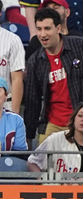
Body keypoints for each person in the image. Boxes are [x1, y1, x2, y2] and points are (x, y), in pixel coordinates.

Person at [24, 7, 83, 144]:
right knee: (41, 162)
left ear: (58, 28)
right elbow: (33, 101)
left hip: (79, 121)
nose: (42, 34)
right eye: (39, 29)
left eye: (47, 28)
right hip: (53, 124)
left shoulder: (79, 46)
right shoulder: (35, 61)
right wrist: (29, 136)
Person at [27, 98, 83, 171]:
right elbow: (32, 162)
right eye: (80, 116)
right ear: (74, 119)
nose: (82, 119)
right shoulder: (56, 139)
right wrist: (41, 179)